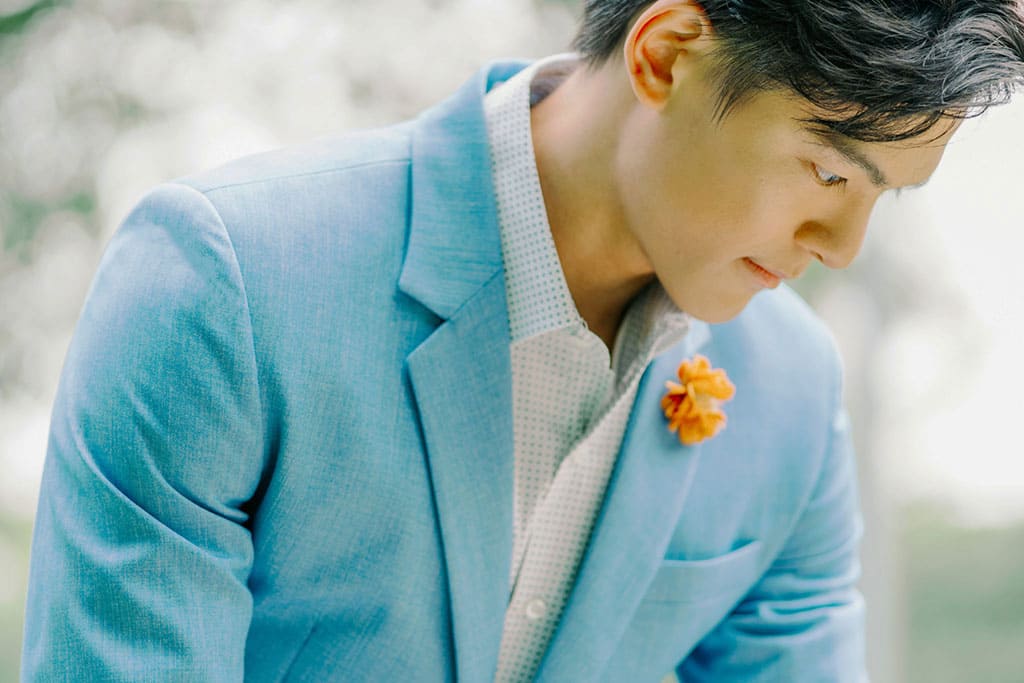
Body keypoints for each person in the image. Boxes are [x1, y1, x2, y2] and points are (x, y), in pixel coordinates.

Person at [21, 1, 1024, 681]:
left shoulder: (793, 395)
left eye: (883, 197)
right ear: (667, 54)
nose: (842, 247)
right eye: (831, 173)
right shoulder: (229, 282)